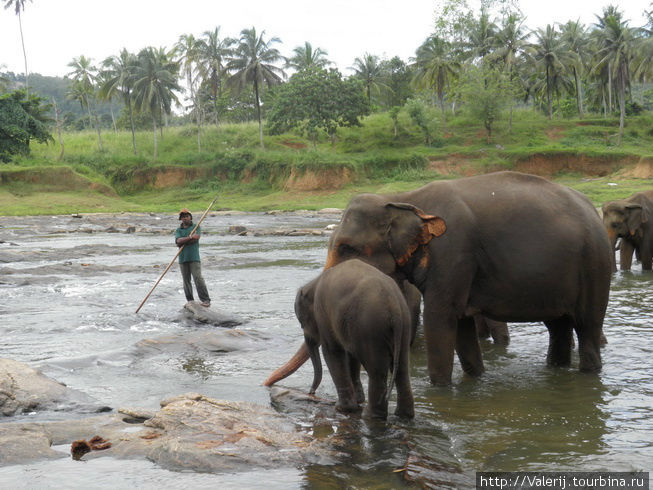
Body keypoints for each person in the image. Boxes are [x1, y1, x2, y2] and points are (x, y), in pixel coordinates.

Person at [174, 208, 211, 307]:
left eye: (187, 216)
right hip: (183, 258)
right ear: (181, 219)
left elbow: (196, 239)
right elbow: (178, 242)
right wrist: (189, 237)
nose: (185, 218)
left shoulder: (196, 227)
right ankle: (190, 300)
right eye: (183, 217)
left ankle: (206, 300)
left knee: (198, 278)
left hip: (194, 257)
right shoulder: (179, 230)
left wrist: (185, 240)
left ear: (190, 217)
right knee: (186, 280)